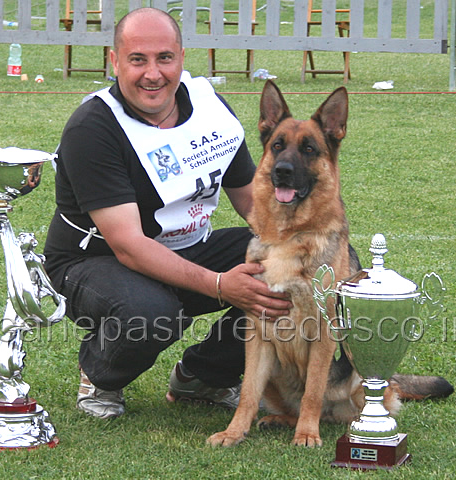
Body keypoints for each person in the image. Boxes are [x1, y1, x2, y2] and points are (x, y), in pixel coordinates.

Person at [44, 7, 292, 419]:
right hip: (94, 260)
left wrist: (292, 254)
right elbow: (128, 245)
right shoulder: (93, 127)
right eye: (137, 60)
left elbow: (252, 202)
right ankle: (100, 374)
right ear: (115, 61)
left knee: (293, 270)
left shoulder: (209, 107)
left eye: (164, 58)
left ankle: (204, 377)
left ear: (181, 57)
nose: (152, 74)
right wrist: (218, 283)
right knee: (154, 312)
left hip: (189, 245)